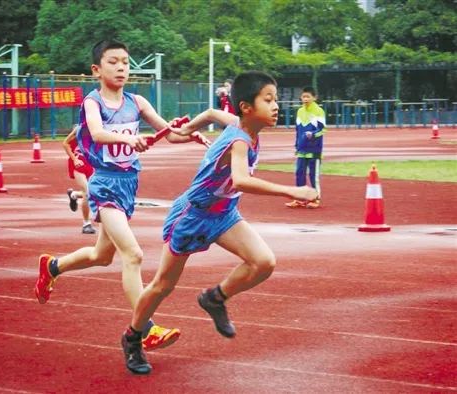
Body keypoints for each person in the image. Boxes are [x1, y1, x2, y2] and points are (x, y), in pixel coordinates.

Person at [121, 71, 318, 374]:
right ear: (246, 107)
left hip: (224, 213)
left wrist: (188, 128)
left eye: (276, 99)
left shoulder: (239, 124)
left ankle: (215, 298)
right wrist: (291, 190)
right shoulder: (239, 139)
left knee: (263, 262)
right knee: (162, 285)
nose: (277, 106)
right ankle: (133, 337)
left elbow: (213, 112)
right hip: (193, 216)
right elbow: (241, 179)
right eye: (269, 100)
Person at [34, 39, 209, 351]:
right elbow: (98, 133)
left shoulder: (138, 102)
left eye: (126, 62)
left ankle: (52, 267)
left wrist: (189, 134)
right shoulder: (93, 102)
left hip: (128, 186)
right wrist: (130, 141)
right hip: (103, 186)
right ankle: (146, 329)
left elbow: (168, 133)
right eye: (113, 62)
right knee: (133, 254)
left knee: (102, 256)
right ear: (96, 69)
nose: (121, 68)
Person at [285, 87, 326, 209]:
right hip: (301, 149)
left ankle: (315, 199)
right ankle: (299, 199)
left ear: (314, 97)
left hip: (314, 149)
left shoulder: (319, 111)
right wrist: (296, 145)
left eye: (308, 96)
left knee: (313, 175)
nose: (305, 99)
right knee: (299, 174)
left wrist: (313, 134)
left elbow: (322, 130)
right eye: (303, 97)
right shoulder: (300, 111)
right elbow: (298, 130)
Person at [63, 124, 96, 234]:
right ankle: (86, 224)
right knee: (87, 192)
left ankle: (74, 195)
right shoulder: (80, 129)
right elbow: (65, 143)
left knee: (95, 191)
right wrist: (74, 160)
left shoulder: (99, 127)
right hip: (79, 163)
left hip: (92, 164)